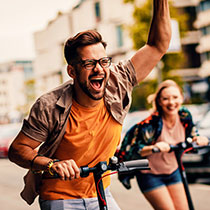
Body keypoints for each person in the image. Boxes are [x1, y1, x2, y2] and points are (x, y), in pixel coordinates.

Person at [8, 1, 171, 209]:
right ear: (72, 72)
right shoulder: (49, 106)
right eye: (88, 63)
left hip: (100, 192)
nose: (99, 69)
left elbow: (158, 45)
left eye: (103, 61)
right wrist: (51, 164)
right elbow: (18, 149)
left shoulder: (117, 82)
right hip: (60, 197)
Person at [117, 79, 209, 210]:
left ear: (182, 98)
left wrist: (198, 138)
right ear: (159, 101)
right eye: (166, 99)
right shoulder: (151, 124)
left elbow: (192, 133)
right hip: (150, 174)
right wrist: (155, 147)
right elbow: (135, 150)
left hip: (173, 171)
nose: (171, 102)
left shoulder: (184, 116)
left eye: (175, 97)